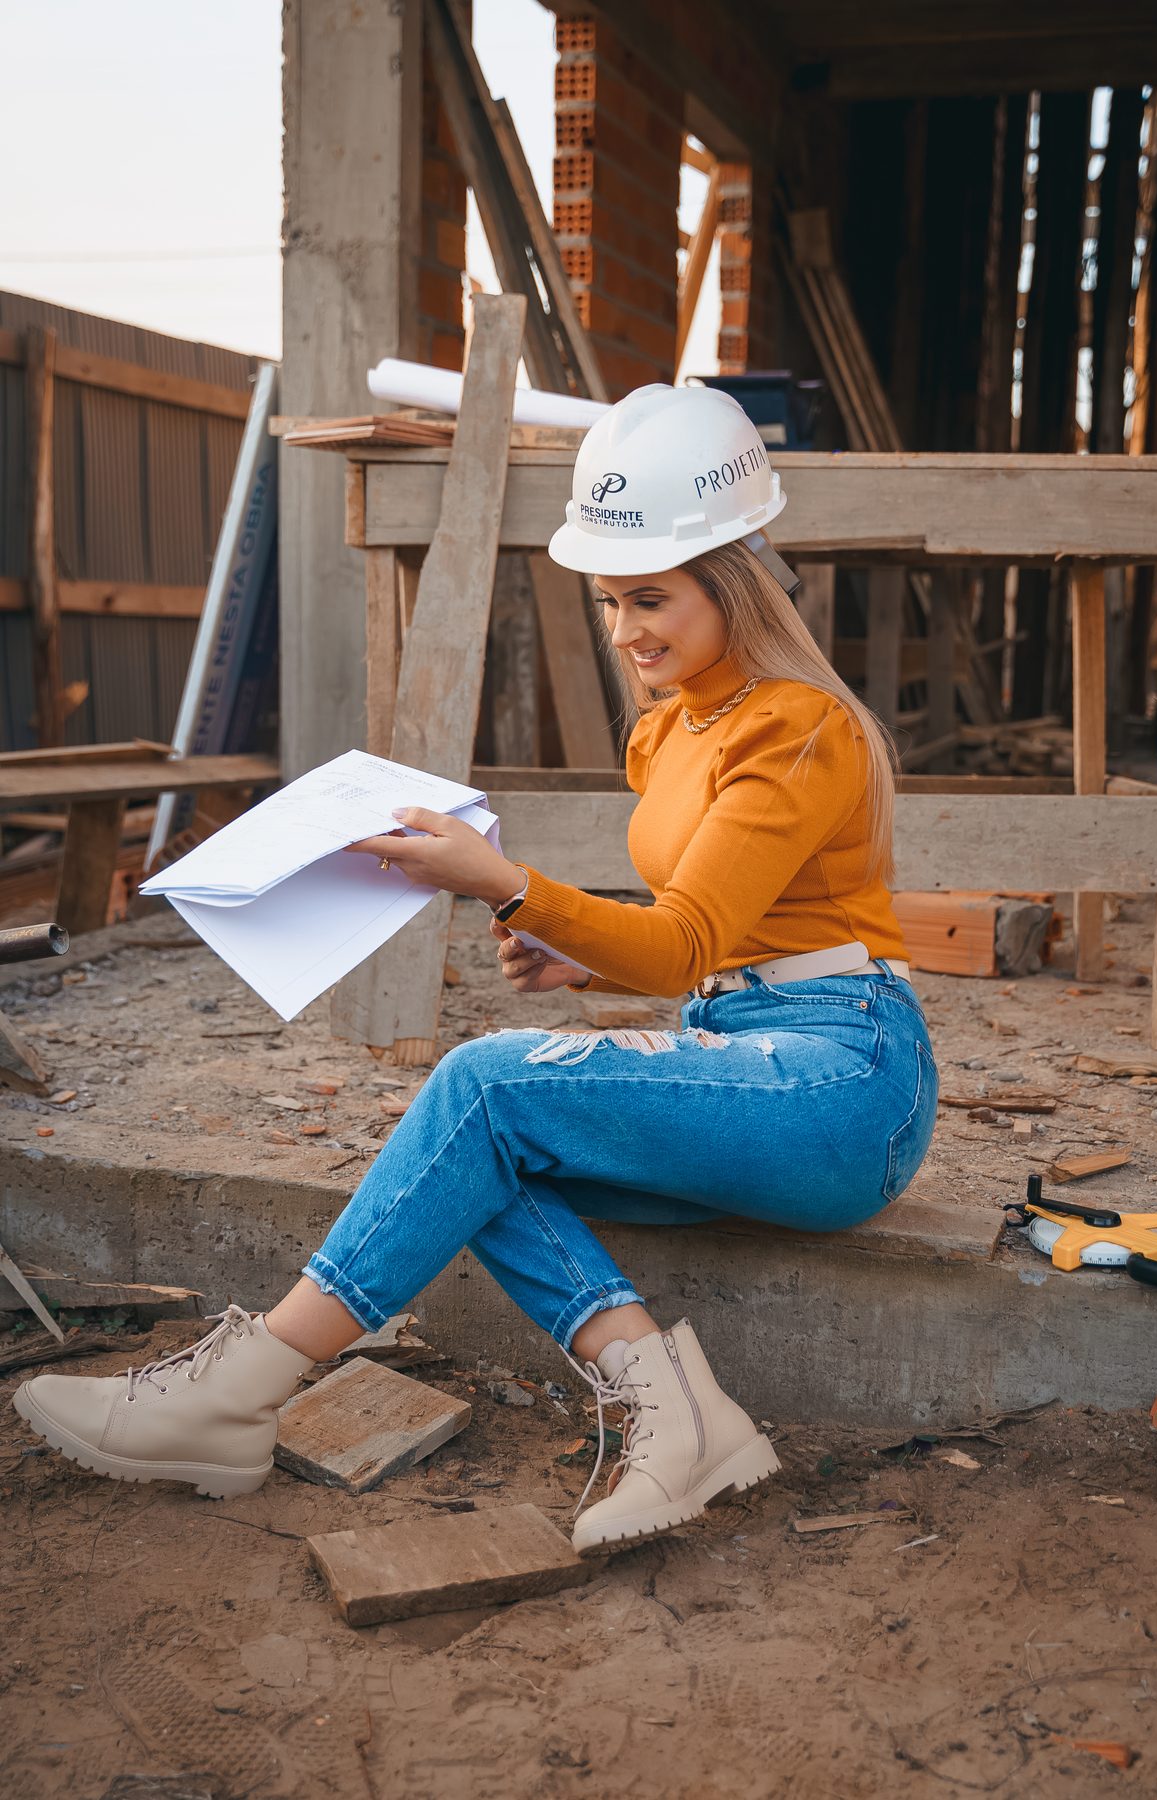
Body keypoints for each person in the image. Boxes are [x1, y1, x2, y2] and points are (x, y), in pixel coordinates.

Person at [13, 385, 936, 1554]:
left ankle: (237, 1390)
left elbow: (690, 941)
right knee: (483, 1150)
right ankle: (676, 1410)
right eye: (608, 600)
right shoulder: (672, 726)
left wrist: (504, 885)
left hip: (847, 1080)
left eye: (650, 597)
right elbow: (719, 938)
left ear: (733, 578)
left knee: (483, 1085)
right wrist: (572, 955)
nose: (624, 631)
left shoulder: (797, 726)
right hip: (742, 1046)